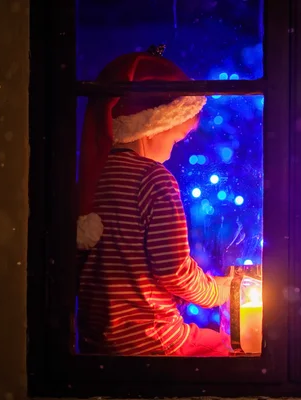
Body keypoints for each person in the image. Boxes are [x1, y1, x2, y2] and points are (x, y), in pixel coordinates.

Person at [75, 47, 232, 356]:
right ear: (151, 126)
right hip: (151, 340)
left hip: (98, 343)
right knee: (223, 350)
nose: (174, 150)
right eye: (174, 138)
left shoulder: (94, 176)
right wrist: (216, 292)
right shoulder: (154, 179)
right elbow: (172, 269)